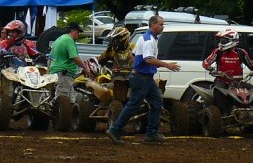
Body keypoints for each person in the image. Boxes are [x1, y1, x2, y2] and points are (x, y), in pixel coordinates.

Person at [106, 15, 180, 144]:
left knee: (155, 103)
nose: (163, 27)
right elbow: (149, 59)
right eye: (161, 24)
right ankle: (116, 130)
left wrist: (137, 68)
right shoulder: (149, 40)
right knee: (135, 105)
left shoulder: (145, 38)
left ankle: (151, 133)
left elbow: (133, 55)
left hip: (143, 77)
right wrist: (167, 65)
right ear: (153, 25)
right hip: (142, 78)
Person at [202, 28, 253, 110]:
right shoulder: (218, 51)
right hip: (222, 81)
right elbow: (205, 63)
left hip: (237, 82)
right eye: (221, 40)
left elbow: (251, 64)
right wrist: (213, 70)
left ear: (233, 40)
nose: (222, 42)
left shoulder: (241, 52)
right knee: (218, 93)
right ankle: (221, 113)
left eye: (224, 40)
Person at [49, 22, 88, 102]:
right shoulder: (68, 40)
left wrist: (48, 70)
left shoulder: (59, 39)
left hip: (57, 72)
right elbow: (75, 57)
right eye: (78, 32)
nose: (78, 34)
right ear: (72, 30)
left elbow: (50, 57)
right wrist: (86, 68)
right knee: (62, 99)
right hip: (63, 73)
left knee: (71, 100)